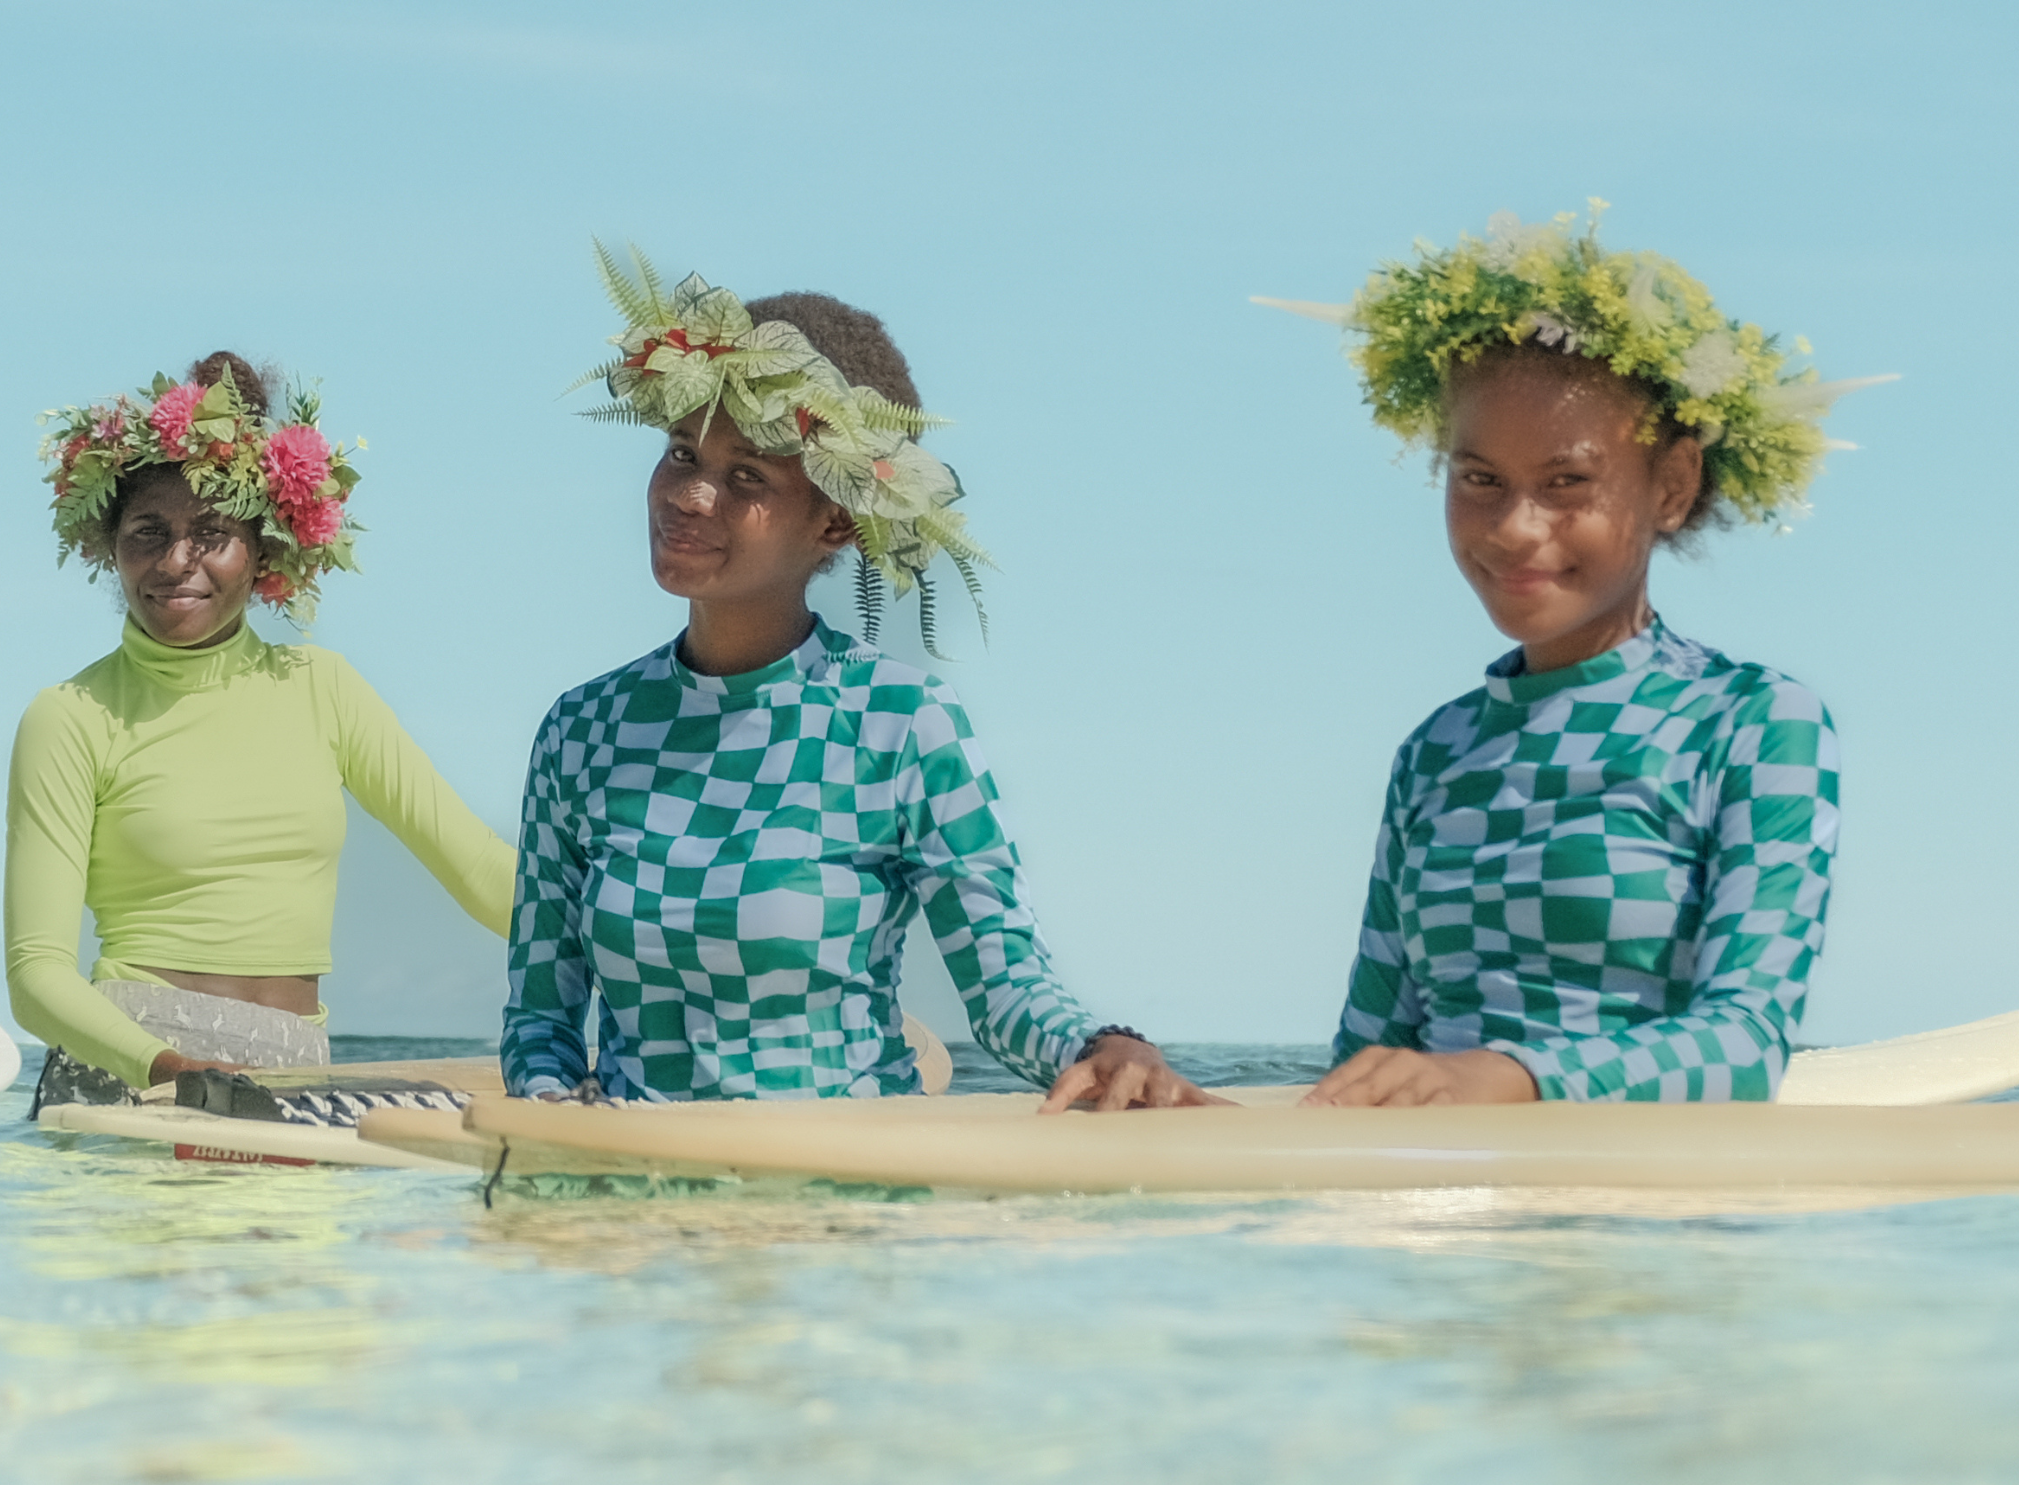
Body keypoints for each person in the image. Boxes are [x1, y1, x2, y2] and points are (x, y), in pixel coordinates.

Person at [503, 251, 1198, 1114]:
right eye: (683, 453)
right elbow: (541, 1017)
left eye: (746, 476)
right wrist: (551, 1121)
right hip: (638, 1222)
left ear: (835, 518)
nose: (690, 494)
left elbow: (1006, 988)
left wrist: (1108, 1049)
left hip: (848, 1217)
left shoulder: (901, 722)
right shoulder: (584, 730)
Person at [1269, 207, 1865, 1107]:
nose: (1516, 527)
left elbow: (1743, 1045)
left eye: (1566, 484)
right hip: (1440, 1231)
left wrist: (1507, 1078)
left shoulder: (1753, 723)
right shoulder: (1436, 750)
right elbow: (1367, 1052)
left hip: (1645, 1232)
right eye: (1481, 481)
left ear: (1673, 486)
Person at [6, 351, 509, 1102]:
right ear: (109, 545)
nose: (178, 562)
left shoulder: (323, 689)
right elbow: (35, 975)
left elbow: (477, 870)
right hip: (133, 1073)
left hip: (293, 1065)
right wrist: (172, 1070)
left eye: (211, 533)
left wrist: (655, 950)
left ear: (263, 549)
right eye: (148, 532)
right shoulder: (72, 716)